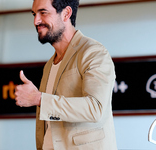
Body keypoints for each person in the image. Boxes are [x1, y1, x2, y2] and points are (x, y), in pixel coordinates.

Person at [15, 0, 117, 149]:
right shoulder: (49, 65)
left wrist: (39, 98)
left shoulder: (93, 52)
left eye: (43, 13)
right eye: (34, 14)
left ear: (66, 13)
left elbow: (96, 108)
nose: (36, 21)